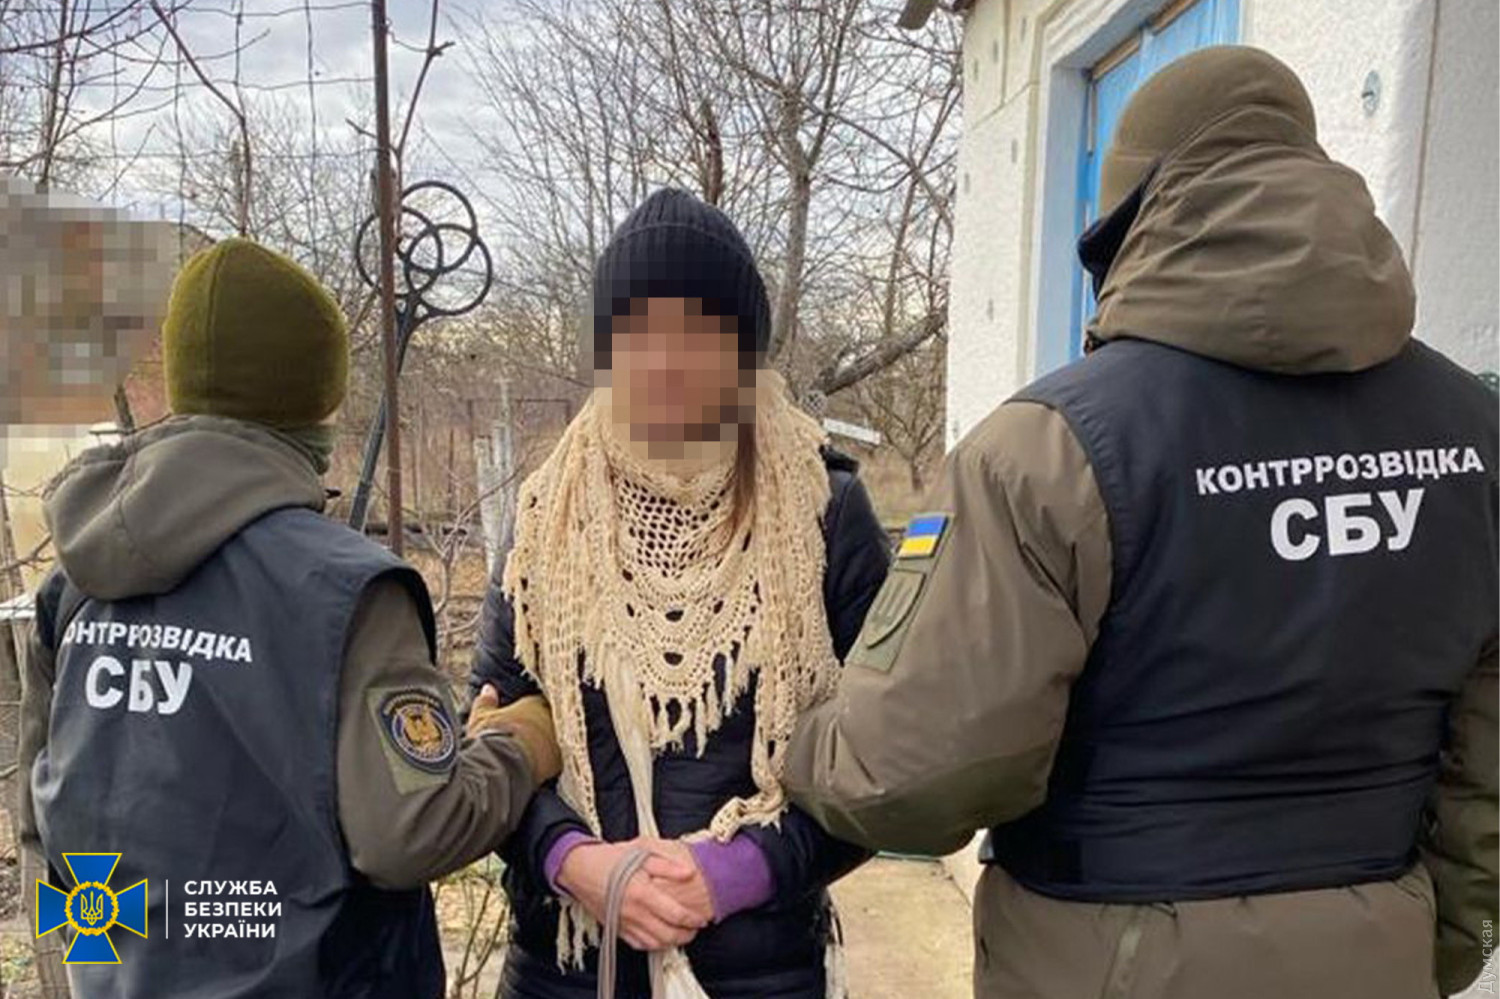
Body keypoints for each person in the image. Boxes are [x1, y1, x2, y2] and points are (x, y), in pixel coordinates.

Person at [783, 46, 1498, 999]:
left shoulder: (1047, 449)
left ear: (1130, 225)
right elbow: (1487, 772)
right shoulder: (1478, 438)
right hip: (1378, 956)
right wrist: (1425, 946)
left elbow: (916, 779)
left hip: (1107, 959)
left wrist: (797, 743)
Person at [18, 238, 563, 998]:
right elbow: (409, 833)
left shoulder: (73, 585)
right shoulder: (349, 590)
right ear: (317, 398)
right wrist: (517, 745)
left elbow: (45, 829)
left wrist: (167, 938)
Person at [470, 188, 891, 999]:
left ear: (744, 349)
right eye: (637, 330)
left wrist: (736, 871)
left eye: (699, 330)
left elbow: (881, 766)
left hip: (760, 974)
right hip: (563, 971)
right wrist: (571, 859)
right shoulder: (548, 512)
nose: (664, 360)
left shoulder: (826, 511)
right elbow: (490, 733)